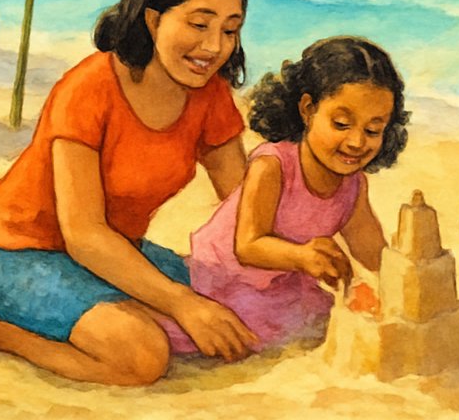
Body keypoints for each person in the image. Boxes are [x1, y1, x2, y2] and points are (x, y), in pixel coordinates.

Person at [0, 0, 256, 385]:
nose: (214, 46)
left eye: (230, 29)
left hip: (117, 251)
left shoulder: (210, 94)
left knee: (234, 305)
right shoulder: (89, 88)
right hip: (19, 253)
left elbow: (243, 206)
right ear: (153, 18)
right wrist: (181, 302)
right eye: (199, 24)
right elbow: (83, 234)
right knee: (142, 357)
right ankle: (0, 329)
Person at [159, 36, 405, 354]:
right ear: (307, 109)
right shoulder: (273, 164)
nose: (357, 142)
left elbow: (372, 251)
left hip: (284, 282)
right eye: (342, 123)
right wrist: (303, 256)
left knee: (321, 318)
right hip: (221, 277)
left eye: (373, 130)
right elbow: (248, 246)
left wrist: (406, 281)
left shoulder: (353, 184)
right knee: (240, 333)